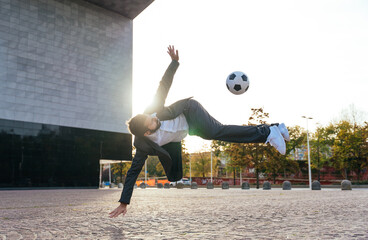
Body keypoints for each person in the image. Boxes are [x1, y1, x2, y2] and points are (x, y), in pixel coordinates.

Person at [109, 45, 290, 218]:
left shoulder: (152, 109)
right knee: (175, 176)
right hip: (189, 130)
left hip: (190, 111)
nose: (155, 118)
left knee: (217, 132)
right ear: (146, 133)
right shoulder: (143, 146)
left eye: (152, 116)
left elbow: (163, 86)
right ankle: (276, 127)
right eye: (152, 122)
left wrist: (174, 63)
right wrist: (124, 203)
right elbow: (133, 172)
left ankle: (268, 132)